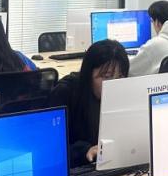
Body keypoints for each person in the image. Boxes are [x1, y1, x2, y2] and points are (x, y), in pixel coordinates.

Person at [48, 39, 128, 167]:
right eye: (106, 76)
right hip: (77, 169)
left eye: (120, 77)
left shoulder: (124, 92)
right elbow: (51, 148)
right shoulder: (65, 93)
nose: (113, 84)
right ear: (88, 74)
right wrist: (84, 151)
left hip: (113, 165)